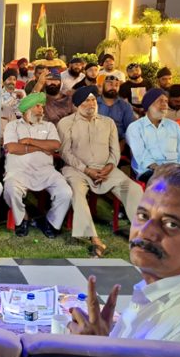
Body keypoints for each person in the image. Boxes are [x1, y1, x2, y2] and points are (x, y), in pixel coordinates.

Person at [68, 164, 180, 343]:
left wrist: (92, 355)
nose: (145, 232)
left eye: (171, 224)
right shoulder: (160, 290)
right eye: (143, 216)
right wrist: (106, 344)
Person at [58, 86, 143, 257]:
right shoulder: (66, 123)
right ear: (77, 105)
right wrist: (86, 169)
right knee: (76, 191)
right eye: (86, 101)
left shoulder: (108, 122)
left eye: (93, 100)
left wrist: (111, 165)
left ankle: (141, 235)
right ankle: (94, 239)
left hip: (106, 169)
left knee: (134, 189)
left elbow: (115, 150)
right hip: (77, 169)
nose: (91, 104)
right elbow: (65, 152)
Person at [3, 92, 72, 238]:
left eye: (42, 106)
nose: (41, 109)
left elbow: (55, 145)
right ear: (27, 109)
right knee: (10, 190)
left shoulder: (49, 126)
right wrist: (41, 148)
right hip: (18, 171)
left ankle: (52, 222)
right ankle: (22, 219)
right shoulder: (12, 126)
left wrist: (29, 140)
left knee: (65, 192)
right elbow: (12, 148)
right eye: (37, 106)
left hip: (46, 171)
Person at [126, 88, 180, 182]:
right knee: (167, 186)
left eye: (166, 101)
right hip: (150, 171)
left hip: (176, 170)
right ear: (149, 105)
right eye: (160, 101)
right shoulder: (135, 127)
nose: (165, 105)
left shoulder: (174, 126)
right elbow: (141, 155)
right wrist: (161, 169)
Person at [97, 75, 135, 147]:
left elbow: (130, 130)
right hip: (97, 143)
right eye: (110, 84)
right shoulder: (93, 104)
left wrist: (121, 144)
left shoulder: (125, 106)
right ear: (102, 86)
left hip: (119, 142)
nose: (114, 87)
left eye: (116, 85)